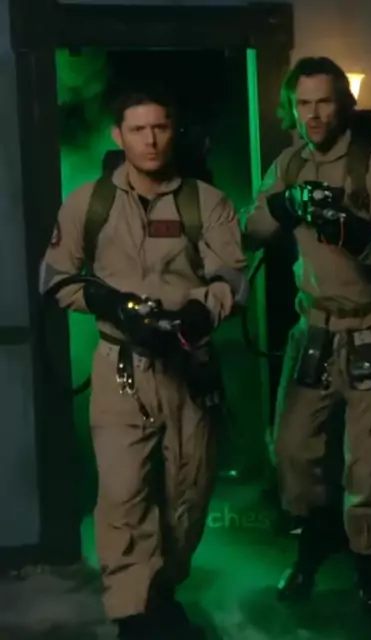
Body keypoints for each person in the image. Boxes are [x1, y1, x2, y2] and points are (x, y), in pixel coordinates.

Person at [40, 90, 248, 639]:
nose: (150, 140)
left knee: (187, 495)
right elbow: (56, 278)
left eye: (160, 128)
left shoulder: (207, 203)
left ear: (173, 131)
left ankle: (160, 592)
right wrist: (107, 302)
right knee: (123, 493)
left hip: (188, 366)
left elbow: (233, 276)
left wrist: (201, 311)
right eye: (138, 130)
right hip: (122, 368)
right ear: (118, 136)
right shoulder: (89, 204)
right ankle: (132, 614)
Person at [242, 57, 371, 608]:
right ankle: (312, 542)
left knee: (370, 461)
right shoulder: (290, 163)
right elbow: (250, 229)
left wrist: (352, 231)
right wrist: (286, 203)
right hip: (314, 326)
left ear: (342, 103)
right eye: (304, 104)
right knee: (293, 450)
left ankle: (367, 562)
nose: (314, 114)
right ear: (292, 109)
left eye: (323, 102)